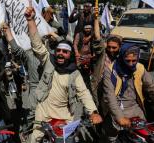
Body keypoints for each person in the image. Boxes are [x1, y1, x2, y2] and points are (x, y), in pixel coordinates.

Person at [24, 7, 102, 143]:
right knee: (34, 139)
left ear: (70, 55)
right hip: (43, 114)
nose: (60, 53)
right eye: (58, 50)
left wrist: (93, 112)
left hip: (64, 118)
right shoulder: (49, 61)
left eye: (64, 52)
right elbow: (36, 44)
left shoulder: (75, 73)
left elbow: (84, 93)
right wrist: (30, 20)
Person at [102, 43, 154, 142]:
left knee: (144, 136)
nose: (131, 64)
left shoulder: (139, 68)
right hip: (116, 109)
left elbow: (151, 87)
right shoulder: (110, 70)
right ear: (122, 57)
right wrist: (119, 117)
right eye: (128, 61)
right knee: (112, 138)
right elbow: (110, 97)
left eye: (134, 61)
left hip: (135, 108)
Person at [90, 35, 122, 111]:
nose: (111, 50)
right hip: (98, 85)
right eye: (109, 47)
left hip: (113, 87)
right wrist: (96, 22)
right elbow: (97, 38)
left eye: (114, 48)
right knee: (97, 106)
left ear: (119, 47)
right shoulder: (103, 54)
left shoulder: (121, 58)